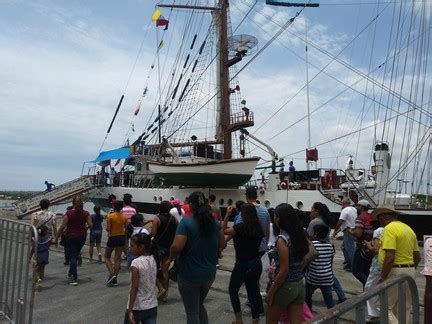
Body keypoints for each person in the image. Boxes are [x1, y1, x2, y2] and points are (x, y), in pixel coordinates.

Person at [170, 191, 226, 324]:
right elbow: (222, 244)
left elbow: (176, 247)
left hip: (189, 274)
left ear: (191, 206)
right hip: (209, 274)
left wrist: (170, 256)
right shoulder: (214, 223)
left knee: (192, 312)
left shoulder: (186, 223)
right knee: (198, 306)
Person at [373, 205, 421, 324]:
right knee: (404, 308)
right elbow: (417, 257)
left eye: (379, 219)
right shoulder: (408, 229)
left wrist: (383, 277)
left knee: (383, 305)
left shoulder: (389, 229)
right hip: (410, 271)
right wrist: (409, 269)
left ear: (384, 216)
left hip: (394, 270)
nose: (380, 222)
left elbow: (390, 256)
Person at [265, 203, 309, 324]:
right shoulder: (299, 235)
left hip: (286, 286)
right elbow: (305, 259)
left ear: (279, 218)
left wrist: (271, 293)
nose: (274, 218)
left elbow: (284, 271)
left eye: (275, 216)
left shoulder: (282, 239)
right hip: (299, 285)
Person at [223, 203, 264, 324]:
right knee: (253, 292)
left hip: (243, 263)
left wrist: (227, 215)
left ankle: (239, 319)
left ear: (243, 213)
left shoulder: (240, 227)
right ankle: (255, 320)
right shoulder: (258, 227)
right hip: (256, 262)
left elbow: (225, 230)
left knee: (233, 289)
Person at [307, 202, 347, 303]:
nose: (310, 211)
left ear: (316, 210)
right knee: (328, 272)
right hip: (328, 247)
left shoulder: (314, 222)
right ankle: (341, 295)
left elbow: (309, 236)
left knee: (314, 272)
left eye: (312, 209)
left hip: (315, 249)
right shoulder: (325, 220)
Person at [55, 196, 92, 286]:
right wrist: (84, 228)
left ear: (73, 203)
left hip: (71, 237)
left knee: (72, 257)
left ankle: (74, 277)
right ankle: (71, 272)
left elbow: (63, 226)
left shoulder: (69, 213)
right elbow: (91, 225)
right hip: (81, 237)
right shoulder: (86, 213)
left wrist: (56, 237)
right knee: (75, 254)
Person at [125, 232, 158, 324]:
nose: (130, 248)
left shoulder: (136, 263)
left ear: (141, 247)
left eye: (132, 246)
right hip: (152, 305)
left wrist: (130, 309)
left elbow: (134, 287)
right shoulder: (152, 259)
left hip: (138, 307)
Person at [151, 201, 178, 301]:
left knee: (155, 269)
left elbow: (153, 233)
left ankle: (160, 289)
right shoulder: (174, 219)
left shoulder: (157, 218)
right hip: (168, 248)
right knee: (165, 270)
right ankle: (165, 294)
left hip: (158, 248)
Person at [305, 224, 335, 311]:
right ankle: (333, 316)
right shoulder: (330, 246)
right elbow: (331, 260)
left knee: (307, 296)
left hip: (313, 277)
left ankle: (308, 315)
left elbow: (307, 259)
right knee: (329, 299)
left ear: (316, 234)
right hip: (327, 277)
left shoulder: (312, 245)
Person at [31, 199, 57, 287]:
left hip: (37, 238)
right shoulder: (52, 215)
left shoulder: (35, 215)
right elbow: (55, 228)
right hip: (47, 239)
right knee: (43, 260)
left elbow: (32, 227)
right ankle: (40, 278)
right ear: (48, 205)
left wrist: (30, 237)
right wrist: (56, 239)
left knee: (36, 259)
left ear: (40, 205)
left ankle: (37, 278)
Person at [363, 226, 384, 322]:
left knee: (369, 287)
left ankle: (375, 313)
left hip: (377, 264)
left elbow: (375, 250)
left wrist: (368, 244)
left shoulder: (379, 231)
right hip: (389, 264)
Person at [105, 200, 128, 286]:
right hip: (121, 237)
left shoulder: (110, 216)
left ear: (114, 207)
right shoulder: (125, 217)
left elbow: (108, 229)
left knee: (107, 257)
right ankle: (115, 278)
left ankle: (112, 274)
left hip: (112, 237)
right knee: (117, 259)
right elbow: (126, 229)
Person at [351, 199, 373, 288]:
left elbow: (358, 233)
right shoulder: (370, 216)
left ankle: (369, 287)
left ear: (361, 207)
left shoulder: (360, 217)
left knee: (356, 271)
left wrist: (349, 231)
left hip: (361, 248)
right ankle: (367, 293)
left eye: (357, 206)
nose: (356, 208)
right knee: (365, 271)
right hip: (369, 248)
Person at [332, 197, 357, 271]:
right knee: (344, 247)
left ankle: (352, 266)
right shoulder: (353, 209)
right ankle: (348, 261)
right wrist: (337, 231)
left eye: (342, 203)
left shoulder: (345, 210)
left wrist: (335, 230)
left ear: (344, 203)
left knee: (350, 249)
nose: (341, 205)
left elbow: (340, 222)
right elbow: (346, 223)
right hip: (352, 229)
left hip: (348, 232)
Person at [122, 194, 137, 259]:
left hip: (124, 227)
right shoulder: (134, 210)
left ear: (124, 202)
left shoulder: (122, 210)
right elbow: (135, 218)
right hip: (132, 227)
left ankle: (126, 255)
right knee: (132, 241)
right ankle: (132, 254)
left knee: (125, 242)